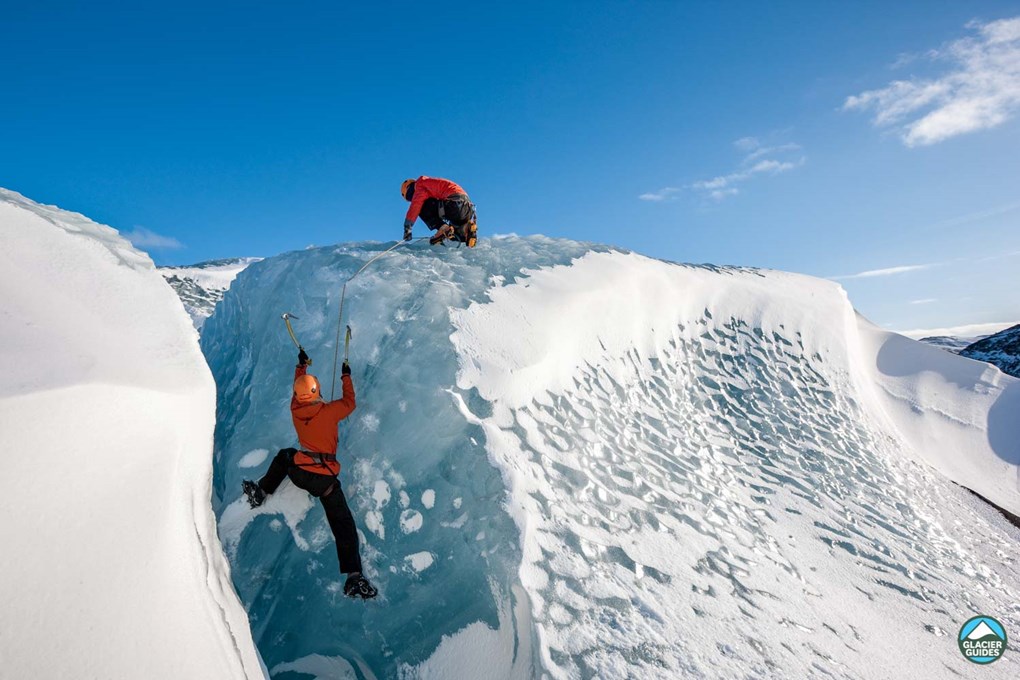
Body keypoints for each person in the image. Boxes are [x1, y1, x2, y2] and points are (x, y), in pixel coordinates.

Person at [242, 348, 377, 599]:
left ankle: (261, 492)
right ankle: (354, 577)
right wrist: (345, 376)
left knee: (285, 455)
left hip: (299, 472)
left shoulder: (295, 409)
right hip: (324, 481)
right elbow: (350, 403)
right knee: (342, 522)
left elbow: (297, 390)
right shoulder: (328, 411)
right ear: (317, 392)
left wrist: (301, 366)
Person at [401, 176, 478, 247]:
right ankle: (467, 231)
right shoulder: (429, 185)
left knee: (421, 206)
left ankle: (442, 228)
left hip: (454, 205)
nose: (412, 199)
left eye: (410, 197)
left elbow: (416, 205)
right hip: (467, 209)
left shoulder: (419, 185)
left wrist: (407, 228)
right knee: (454, 236)